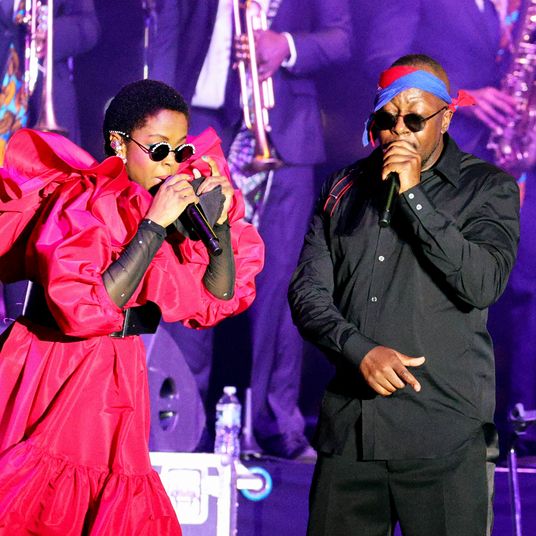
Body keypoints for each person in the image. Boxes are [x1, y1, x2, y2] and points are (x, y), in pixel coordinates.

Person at [0, 79, 263, 534]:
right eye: (159, 150)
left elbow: (216, 300)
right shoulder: (80, 199)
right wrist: (153, 226)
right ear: (119, 144)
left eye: (181, 151)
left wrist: (218, 228)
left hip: (119, 372)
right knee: (44, 505)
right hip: (59, 368)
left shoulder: (166, 210)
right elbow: (85, 309)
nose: (172, 164)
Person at [288, 54, 520, 535]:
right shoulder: (343, 186)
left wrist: (414, 196)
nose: (398, 131)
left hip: (443, 439)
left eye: (414, 119)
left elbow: (482, 283)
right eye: (386, 120)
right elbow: (308, 295)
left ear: (445, 118)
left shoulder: (487, 188)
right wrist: (360, 350)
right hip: (351, 438)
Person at [148, 0, 353, 458]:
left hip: (285, 134)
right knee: (187, 271)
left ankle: (275, 423)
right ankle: (181, 422)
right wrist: (155, 124)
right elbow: (169, 30)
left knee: (280, 284)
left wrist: (287, 46)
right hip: (199, 125)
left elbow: (342, 38)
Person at [0, 0, 101, 331]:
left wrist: (51, 35)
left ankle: (18, 332)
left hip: (39, 104)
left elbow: (89, 26)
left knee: (29, 225)